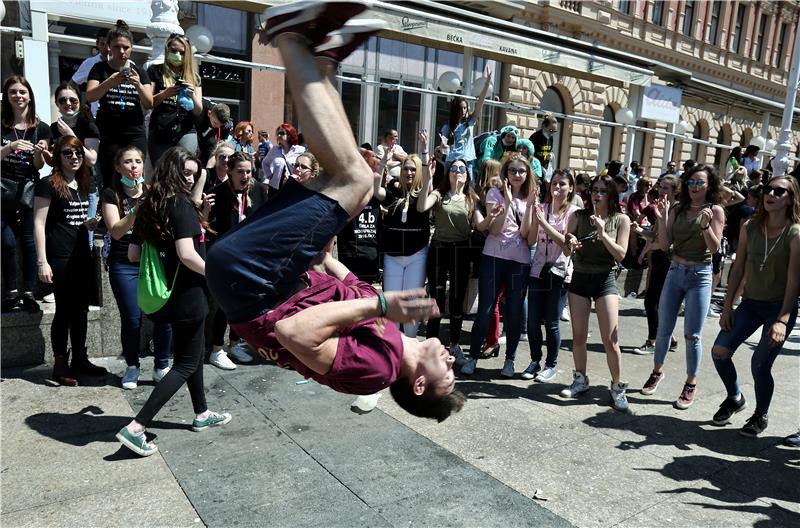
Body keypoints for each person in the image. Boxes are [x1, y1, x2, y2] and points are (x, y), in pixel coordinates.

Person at [207, 6, 463, 422]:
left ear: (419, 384)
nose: (452, 362)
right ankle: (322, 60)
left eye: (447, 375)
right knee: (349, 180)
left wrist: (381, 302)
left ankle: (290, 38)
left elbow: (293, 333)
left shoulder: (376, 370)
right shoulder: (393, 337)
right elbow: (339, 274)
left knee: (356, 181)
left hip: (254, 285)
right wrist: (330, 244)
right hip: (265, 276)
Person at [116, 147, 231, 457]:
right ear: (173, 172)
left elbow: (133, 254)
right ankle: (136, 426)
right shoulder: (180, 204)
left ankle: (202, 414)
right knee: (187, 363)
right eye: (186, 172)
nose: (190, 177)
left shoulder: (149, 204)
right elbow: (186, 254)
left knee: (188, 355)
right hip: (189, 295)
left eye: (194, 172)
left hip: (166, 295)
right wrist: (217, 274)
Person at [711, 175, 799, 437]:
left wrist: (782, 321)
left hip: (778, 307)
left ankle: (760, 415)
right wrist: (727, 307)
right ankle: (735, 397)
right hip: (750, 303)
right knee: (719, 351)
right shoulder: (750, 226)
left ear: (791, 199)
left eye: (780, 191)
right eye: (768, 189)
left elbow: (795, 282)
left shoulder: (795, 234)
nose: (771, 194)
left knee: (760, 364)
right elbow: (737, 270)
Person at [640, 164, 726, 409]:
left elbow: (714, 248)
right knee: (664, 329)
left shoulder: (715, 211)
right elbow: (666, 244)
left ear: (709, 186)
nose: (695, 187)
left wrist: (705, 227)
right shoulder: (678, 209)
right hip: (675, 271)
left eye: (700, 182)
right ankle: (657, 372)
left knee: (692, 335)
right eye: (691, 182)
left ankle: (690, 383)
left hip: (700, 274)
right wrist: (664, 217)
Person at [33, 136, 106, 385]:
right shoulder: (48, 184)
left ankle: (80, 359)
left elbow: (83, 219)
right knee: (64, 311)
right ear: (57, 156)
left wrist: (92, 224)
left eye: (77, 153)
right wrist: (42, 261)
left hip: (82, 255)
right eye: (67, 153)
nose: (74, 157)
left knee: (81, 310)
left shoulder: (85, 183)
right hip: (60, 257)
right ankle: (60, 364)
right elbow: (38, 224)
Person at [102, 146, 173, 389]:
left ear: (144, 166)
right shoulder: (111, 194)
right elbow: (116, 231)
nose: (133, 166)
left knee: (164, 317)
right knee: (132, 318)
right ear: (117, 166)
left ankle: (161, 365)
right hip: (123, 264)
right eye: (128, 162)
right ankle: (132, 366)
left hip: (152, 263)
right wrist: (135, 210)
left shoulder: (153, 192)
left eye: (137, 161)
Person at [560, 174, 632, 413]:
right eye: (594, 191)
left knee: (610, 340)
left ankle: (616, 386)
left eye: (603, 191)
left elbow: (621, 254)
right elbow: (566, 249)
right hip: (580, 278)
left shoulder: (621, 220)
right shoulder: (578, 216)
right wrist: (570, 240)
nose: (597, 195)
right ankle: (580, 379)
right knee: (578, 336)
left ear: (611, 195)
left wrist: (603, 233)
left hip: (605, 280)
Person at [461, 153, 534, 377]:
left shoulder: (531, 197)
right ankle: (472, 357)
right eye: (513, 171)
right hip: (493, 257)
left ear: (528, 173)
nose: (517, 175)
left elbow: (527, 236)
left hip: (519, 261)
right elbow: (494, 230)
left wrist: (529, 207)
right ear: (506, 173)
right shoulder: (495, 193)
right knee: (485, 309)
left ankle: (509, 360)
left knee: (513, 313)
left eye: (522, 171)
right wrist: (509, 203)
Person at [417, 131, 484, 366]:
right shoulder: (440, 194)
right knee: (435, 298)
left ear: (467, 176)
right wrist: (427, 173)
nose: (457, 172)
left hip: (461, 251)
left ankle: (454, 343)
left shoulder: (471, 199)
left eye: (461, 170)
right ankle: (431, 344)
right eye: (454, 169)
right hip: (439, 248)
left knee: (456, 299)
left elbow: (481, 224)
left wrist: (497, 215)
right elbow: (422, 205)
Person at [206, 151, 269, 370]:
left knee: (243, 304)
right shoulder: (217, 193)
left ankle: (235, 344)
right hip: (225, 258)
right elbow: (208, 226)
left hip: (250, 257)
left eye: (248, 171)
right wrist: (205, 211)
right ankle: (216, 349)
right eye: (240, 171)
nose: (245, 176)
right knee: (224, 305)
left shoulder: (260, 190)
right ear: (229, 172)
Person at [521, 169, 580, 382]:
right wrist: (535, 215)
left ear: (570, 188)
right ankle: (535, 360)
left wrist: (544, 223)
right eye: (554, 183)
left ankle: (550, 365)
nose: (557, 187)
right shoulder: (542, 208)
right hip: (538, 270)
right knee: (533, 320)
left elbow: (567, 247)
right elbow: (530, 240)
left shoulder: (573, 213)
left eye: (562, 184)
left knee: (552, 322)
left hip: (559, 273)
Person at [1, 75, 51, 312]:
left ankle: (29, 292)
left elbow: (39, 166)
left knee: (30, 242)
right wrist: (9, 147)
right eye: (13, 92)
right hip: (3, 189)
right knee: (7, 242)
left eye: (22, 92)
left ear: (29, 95)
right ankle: (11, 292)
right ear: (6, 96)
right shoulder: (1, 124)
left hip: (29, 189)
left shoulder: (41, 128)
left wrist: (40, 152)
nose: (18, 96)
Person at [87, 19, 153, 190]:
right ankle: (112, 212)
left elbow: (149, 102)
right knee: (111, 178)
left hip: (134, 132)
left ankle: (135, 211)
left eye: (126, 47)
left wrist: (138, 84)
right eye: (116, 46)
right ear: (109, 46)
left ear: (132, 47)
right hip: (110, 133)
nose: (121, 51)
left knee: (136, 176)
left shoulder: (140, 71)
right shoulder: (99, 69)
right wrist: (110, 81)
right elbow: (91, 96)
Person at [381, 148, 430, 338]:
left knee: (411, 303)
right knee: (392, 303)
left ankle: (410, 347)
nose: (408, 172)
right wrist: (384, 162)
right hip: (392, 256)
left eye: (412, 169)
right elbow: (377, 190)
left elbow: (427, 180)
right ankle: (392, 350)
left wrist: (424, 154)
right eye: (405, 169)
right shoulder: (394, 190)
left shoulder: (424, 192)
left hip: (416, 255)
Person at [633, 175, 680, 355]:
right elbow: (654, 234)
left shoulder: (675, 209)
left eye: (666, 188)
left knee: (651, 301)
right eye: (660, 187)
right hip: (660, 258)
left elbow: (665, 240)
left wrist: (647, 248)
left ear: (676, 191)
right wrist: (638, 230)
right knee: (657, 302)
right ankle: (670, 338)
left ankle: (653, 341)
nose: (661, 191)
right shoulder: (663, 206)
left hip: (668, 260)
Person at [147, 33, 203, 164]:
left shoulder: (194, 77)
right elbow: (148, 102)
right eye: (173, 50)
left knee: (184, 170)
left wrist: (192, 95)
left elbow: (198, 111)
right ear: (167, 50)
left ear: (187, 55)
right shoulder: (155, 70)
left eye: (182, 52)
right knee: (161, 172)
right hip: (160, 129)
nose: (177, 55)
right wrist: (165, 93)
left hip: (185, 129)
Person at [337, 150, 385, 284]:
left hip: (371, 255)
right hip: (349, 255)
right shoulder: (347, 191)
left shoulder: (378, 195)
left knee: (366, 296)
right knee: (349, 295)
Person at [438, 65, 492, 184]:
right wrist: (443, 145)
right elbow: (443, 148)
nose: (463, 111)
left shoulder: (470, 121)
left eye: (465, 108)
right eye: (460, 108)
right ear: (455, 109)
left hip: (468, 160)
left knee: (470, 186)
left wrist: (487, 84)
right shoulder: (448, 126)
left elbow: (480, 103)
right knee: (449, 186)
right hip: (452, 160)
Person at [71, 28, 109, 117]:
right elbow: (72, 84)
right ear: (97, 43)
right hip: (96, 116)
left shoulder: (124, 63)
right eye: (102, 44)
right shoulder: (90, 63)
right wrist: (79, 105)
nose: (106, 48)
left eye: (108, 44)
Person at [262, 122, 306, 190]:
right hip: (275, 188)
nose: (279, 135)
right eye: (278, 133)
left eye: (282, 133)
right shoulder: (274, 150)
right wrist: (269, 175)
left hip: (293, 187)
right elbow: (265, 163)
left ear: (289, 134)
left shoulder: (300, 150)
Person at [197, 101, 233, 165]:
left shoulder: (226, 125)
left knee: (213, 149)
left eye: (220, 125)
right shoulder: (201, 107)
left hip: (209, 136)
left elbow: (220, 144)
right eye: (216, 123)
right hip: (197, 128)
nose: (218, 126)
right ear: (209, 113)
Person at [529, 113, 557, 182]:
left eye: (554, 131)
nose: (552, 133)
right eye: (550, 130)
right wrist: (539, 167)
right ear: (544, 126)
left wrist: (551, 154)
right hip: (534, 171)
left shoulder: (550, 138)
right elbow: (529, 156)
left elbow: (549, 150)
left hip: (544, 172)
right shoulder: (534, 137)